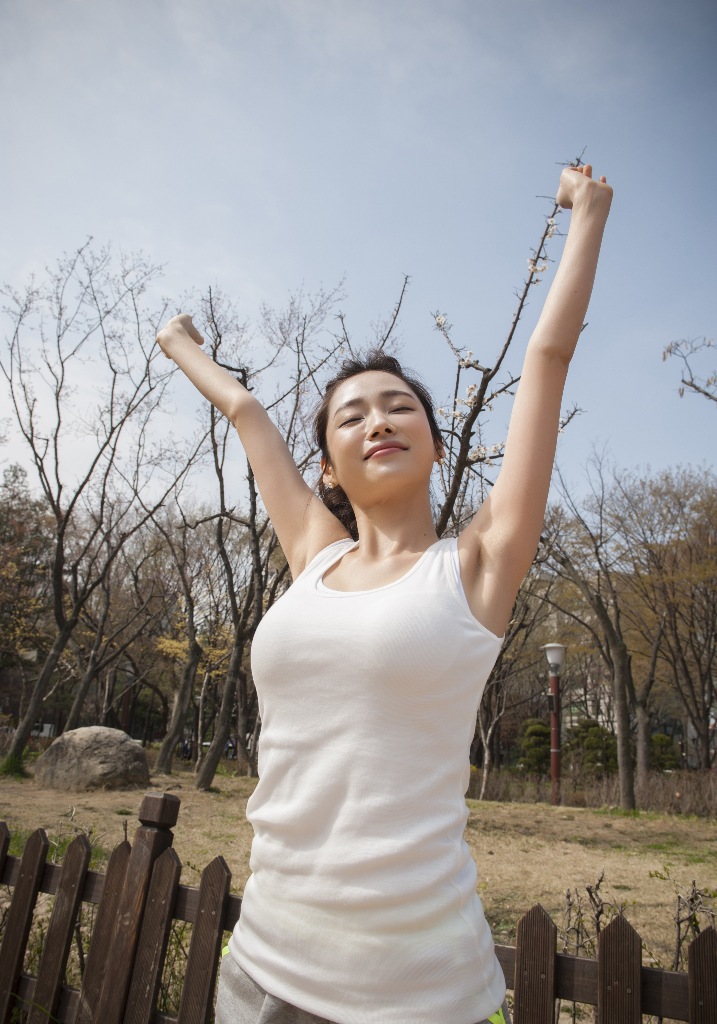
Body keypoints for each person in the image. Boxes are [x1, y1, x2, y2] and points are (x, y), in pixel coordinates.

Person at [156, 163, 612, 1024]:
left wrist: (588, 211)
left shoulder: (476, 565)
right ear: (326, 466)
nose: (378, 420)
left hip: (413, 993)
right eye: (352, 414)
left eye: (398, 406)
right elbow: (248, 413)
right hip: (258, 970)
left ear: (434, 446)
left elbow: (546, 356)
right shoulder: (314, 557)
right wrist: (181, 345)